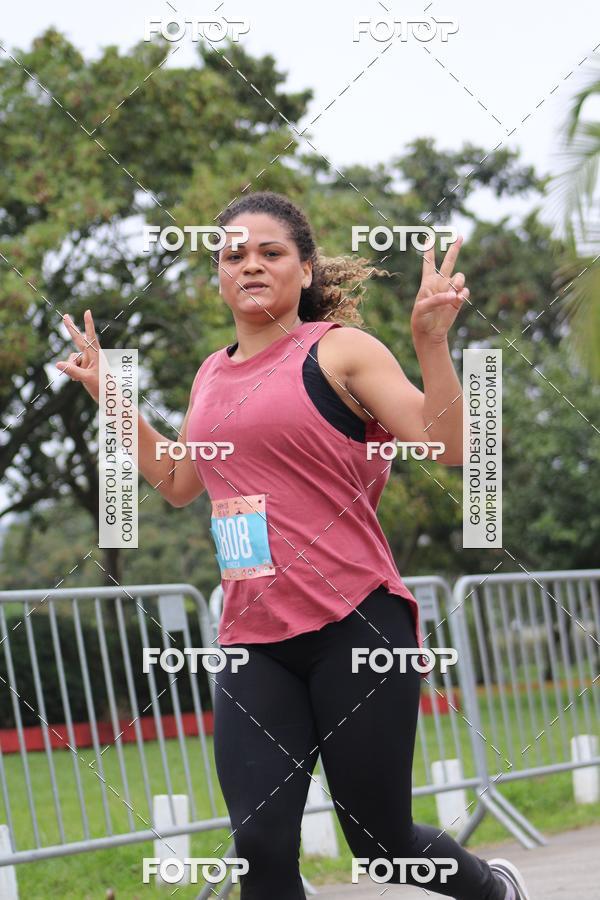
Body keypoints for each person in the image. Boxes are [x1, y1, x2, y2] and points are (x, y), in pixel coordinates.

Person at [57, 190, 531, 900]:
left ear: (305, 270)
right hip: (254, 637)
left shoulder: (340, 350)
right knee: (260, 845)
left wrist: (431, 341)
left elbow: (453, 445)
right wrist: (111, 398)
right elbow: (180, 482)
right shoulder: (211, 374)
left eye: (270, 253)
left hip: (357, 626)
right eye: (233, 254)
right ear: (217, 273)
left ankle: (495, 890)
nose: (250, 265)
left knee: (381, 844)